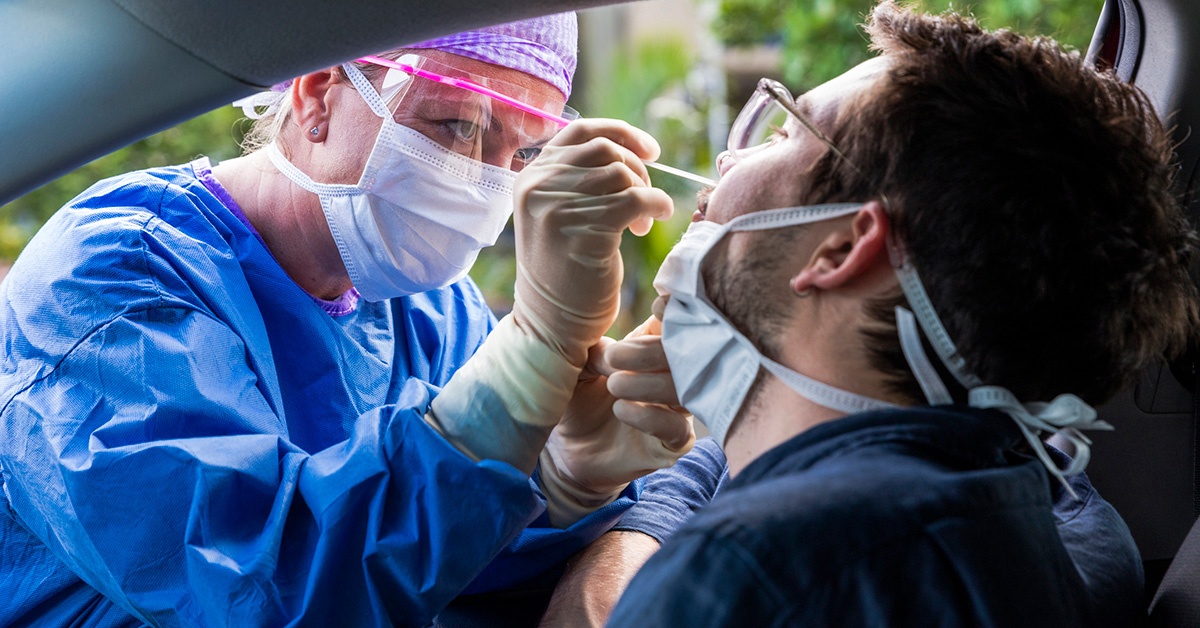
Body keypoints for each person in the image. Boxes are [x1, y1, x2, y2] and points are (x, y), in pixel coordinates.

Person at [0, 13, 694, 627]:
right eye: (457, 125)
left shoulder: (431, 308)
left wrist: (562, 484)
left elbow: (431, 575)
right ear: (315, 94)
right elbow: (260, 594)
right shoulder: (115, 279)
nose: (489, 180)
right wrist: (524, 365)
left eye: (521, 153)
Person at [586, 2, 1195, 625]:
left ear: (845, 247)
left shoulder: (762, 568)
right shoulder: (1013, 526)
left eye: (780, 134)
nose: (725, 162)